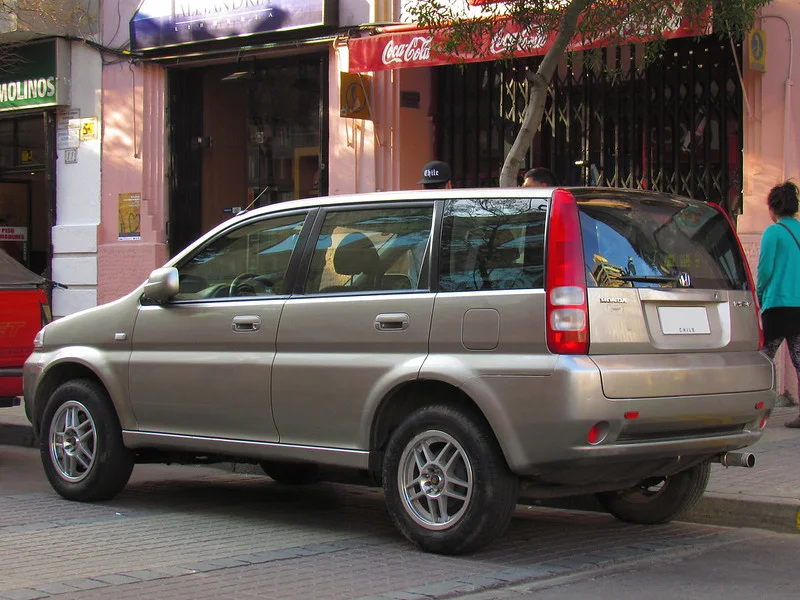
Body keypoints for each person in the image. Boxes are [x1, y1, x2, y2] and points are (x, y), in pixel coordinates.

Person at [757, 180, 800, 428]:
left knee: (764, 359)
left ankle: (757, 410)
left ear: (773, 208)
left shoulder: (773, 232)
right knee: (799, 359)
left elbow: (765, 270)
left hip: (777, 306)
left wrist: (759, 295)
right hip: (799, 306)